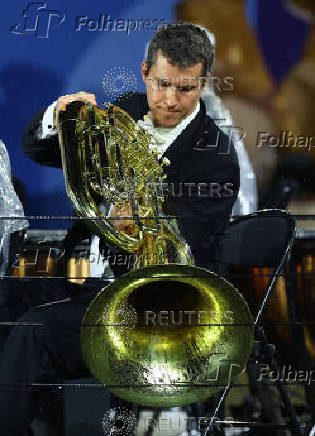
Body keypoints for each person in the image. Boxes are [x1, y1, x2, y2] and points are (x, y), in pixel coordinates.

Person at [0, 23, 240, 435]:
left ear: (204, 84)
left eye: (185, 89)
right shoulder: (125, 110)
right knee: (3, 300)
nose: (170, 100)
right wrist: (60, 116)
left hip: (146, 308)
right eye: (162, 84)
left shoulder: (215, 155)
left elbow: (188, 245)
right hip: (80, 283)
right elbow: (37, 149)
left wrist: (143, 220)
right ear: (145, 72)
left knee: (34, 332)